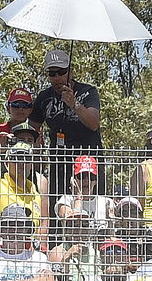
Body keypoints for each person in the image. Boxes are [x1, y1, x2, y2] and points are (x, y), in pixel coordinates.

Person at [30, 48, 102, 199]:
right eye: (52, 73)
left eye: (61, 72)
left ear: (71, 72)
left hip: (88, 161)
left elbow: (94, 123)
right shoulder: (44, 97)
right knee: (59, 205)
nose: (57, 78)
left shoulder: (88, 92)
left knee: (91, 204)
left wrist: (74, 104)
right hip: (59, 162)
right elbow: (31, 127)